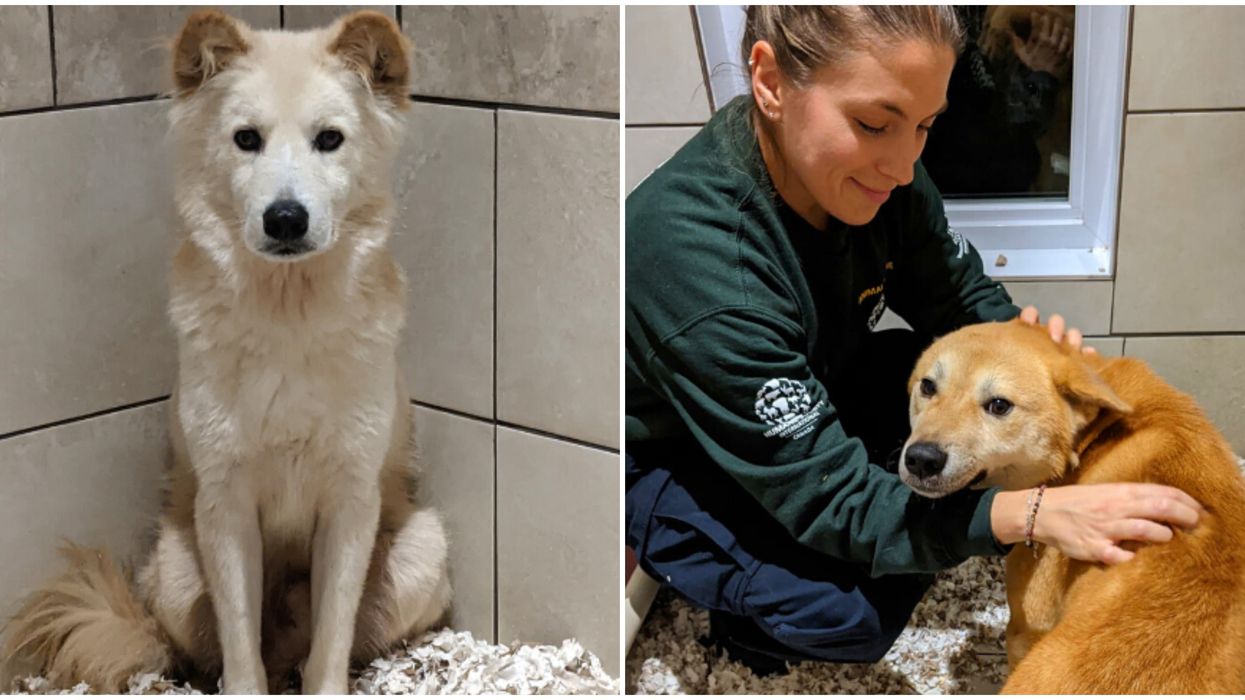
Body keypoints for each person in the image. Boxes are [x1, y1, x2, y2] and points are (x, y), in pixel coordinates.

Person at [624, 6, 1201, 674]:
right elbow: (834, 502)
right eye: (873, 123)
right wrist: (1028, 514)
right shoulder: (703, 264)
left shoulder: (877, 172)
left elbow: (960, 303)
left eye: (924, 126)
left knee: (931, 378)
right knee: (845, 614)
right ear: (770, 80)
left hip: (815, 378)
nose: (902, 167)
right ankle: (743, 622)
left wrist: (1036, 359)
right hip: (685, 454)